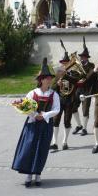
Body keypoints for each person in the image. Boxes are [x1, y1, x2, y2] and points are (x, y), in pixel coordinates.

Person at [12, 58, 60, 187]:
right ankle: (28, 175)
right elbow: (25, 107)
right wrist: (34, 115)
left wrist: (44, 115)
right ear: (41, 80)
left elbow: (57, 109)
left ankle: (38, 174)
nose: (49, 80)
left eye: (50, 78)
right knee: (29, 148)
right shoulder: (32, 93)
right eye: (47, 78)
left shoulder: (54, 94)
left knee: (42, 149)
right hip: (32, 125)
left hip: (45, 125)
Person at [50, 45, 81, 150]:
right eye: (62, 63)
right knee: (55, 121)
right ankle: (54, 142)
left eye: (66, 63)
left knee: (67, 121)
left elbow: (76, 81)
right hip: (59, 100)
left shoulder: (75, 73)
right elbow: (52, 88)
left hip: (70, 101)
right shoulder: (58, 74)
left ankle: (65, 142)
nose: (64, 65)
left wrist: (65, 75)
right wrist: (57, 84)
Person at [71, 37, 96, 136]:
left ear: (87, 57)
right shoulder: (77, 65)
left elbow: (90, 75)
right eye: (81, 57)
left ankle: (84, 128)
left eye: (83, 57)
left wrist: (84, 78)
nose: (81, 58)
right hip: (78, 89)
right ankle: (79, 125)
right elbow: (74, 76)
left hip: (87, 90)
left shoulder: (91, 65)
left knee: (85, 109)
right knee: (73, 107)